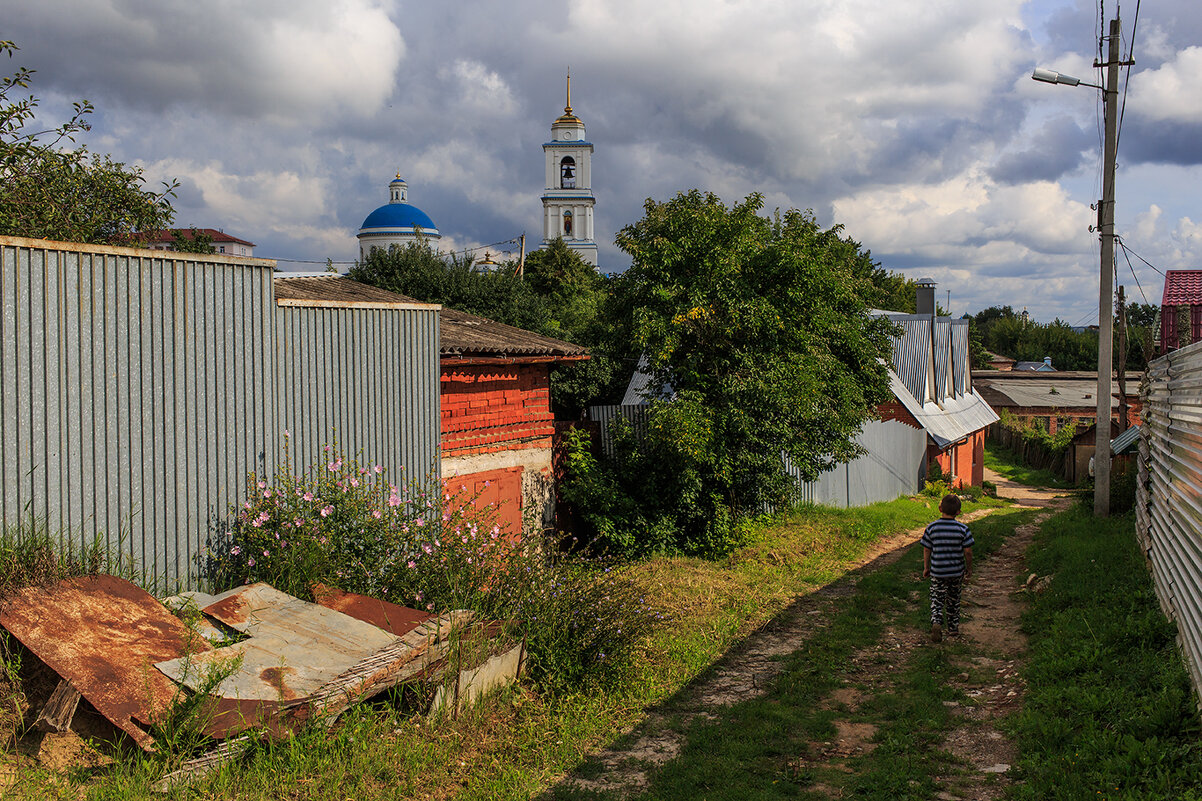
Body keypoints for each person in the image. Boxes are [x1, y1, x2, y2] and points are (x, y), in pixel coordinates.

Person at [920, 493, 974, 643]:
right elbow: (968, 552)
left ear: (939, 508)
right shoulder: (963, 529)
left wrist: (926, 567)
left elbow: (926, 549)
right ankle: (953, 628)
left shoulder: (932, 528)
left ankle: (936, 621)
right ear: (958, 512)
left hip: (937, 571)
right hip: (956, 572)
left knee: (937, 598)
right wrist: (969, 569)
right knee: (953, 599)